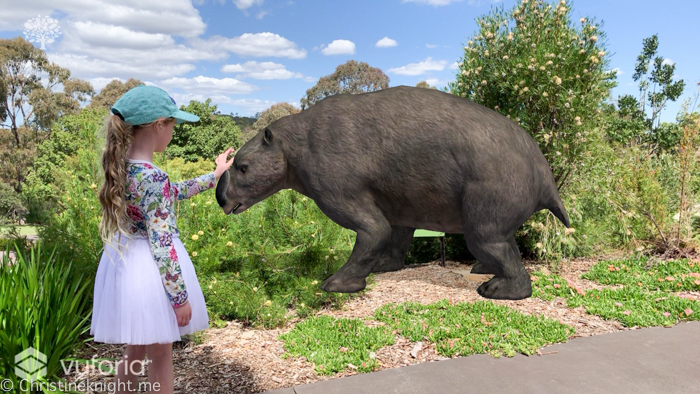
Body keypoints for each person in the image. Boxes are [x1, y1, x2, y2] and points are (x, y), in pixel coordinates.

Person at [90, 85, 234, 393]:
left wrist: (215, 174)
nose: (174, 131)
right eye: (173, 124)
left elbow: (174, 190)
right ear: (158, 125)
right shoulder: (152, 176)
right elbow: (162, 241)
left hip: (127, 267)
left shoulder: (123, 167)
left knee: (135, 351)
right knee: (160, 354)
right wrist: (179, 298)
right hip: (153, 274)